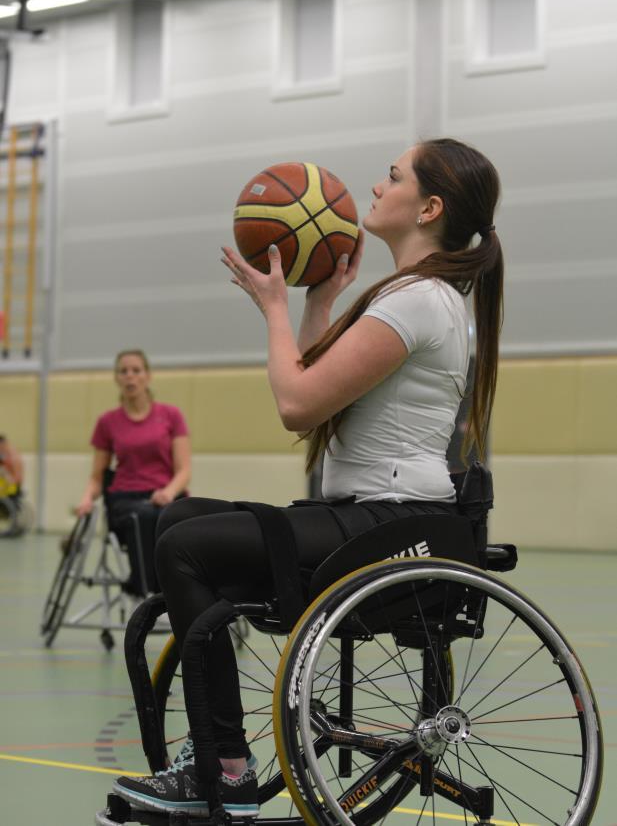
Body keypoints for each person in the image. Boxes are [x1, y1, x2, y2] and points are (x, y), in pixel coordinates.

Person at [114, 138, 504, 817]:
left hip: (385, 524)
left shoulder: (417, 299)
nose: (375, 188)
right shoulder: (420, 296)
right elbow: (319, 394)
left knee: (181, 547)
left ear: (430, 206)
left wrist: (271, 308)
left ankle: (225, 766)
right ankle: (221, 758)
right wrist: (320, 301)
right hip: (375, 516)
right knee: (177, 521)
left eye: (392, 177)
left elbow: (296, 403)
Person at [76, 349, 191, 596]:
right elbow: (97, 475)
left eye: (136, 370)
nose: (130, 376)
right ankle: (150, 591)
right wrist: (87, 498)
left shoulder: (171, 416)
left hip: (166, 495)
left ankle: (189, 588)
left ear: (147, 376)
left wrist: (169, 492)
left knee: (184, 517)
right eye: (123, 371)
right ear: (117, 378)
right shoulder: (107, 422)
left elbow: (184, 470)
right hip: (125, 499)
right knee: (144, 516)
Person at [0, 434, 24, 508]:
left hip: (12, 484)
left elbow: (15, 476)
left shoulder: (11, 456)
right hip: (11, 482)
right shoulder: (6, 453)